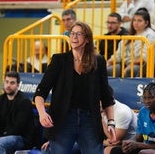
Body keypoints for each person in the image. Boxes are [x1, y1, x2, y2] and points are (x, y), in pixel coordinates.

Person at [34, 21, 116, 154]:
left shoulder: (98, 61)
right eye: (72, 34)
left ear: (87, 39)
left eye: (79, 34)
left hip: (89, 119)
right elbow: (41, 91)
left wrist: (111, 122)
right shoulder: (59, 60)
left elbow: (106, 96)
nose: (74, 37)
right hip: (63, 119)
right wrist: (42, 113)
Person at [111, 82, 155, 154]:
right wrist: (128, 145)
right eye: (145, 98)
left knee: (145, 153)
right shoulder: (143, 112)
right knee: (116, 151)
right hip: (148, 146)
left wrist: (138, 145)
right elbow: (138, 139)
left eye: (151, 98)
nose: (147, 101)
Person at [0, 71, 34, 153]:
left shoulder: (24, 102)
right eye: (6, 82)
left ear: (18, 85)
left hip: (21, 138)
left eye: (12, 83)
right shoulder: (1, 99)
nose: (8, 85)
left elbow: (18, 128)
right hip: (2, 136)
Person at [107, 8, 155, 77]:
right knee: (108, 70)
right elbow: (118, 55)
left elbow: (143, 58)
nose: (136, 23)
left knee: (130, 70)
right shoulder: (129, 35)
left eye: (139, 21)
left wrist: (130, 65)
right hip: (125, 64)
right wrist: (108, 62)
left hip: (142, 66)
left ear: (146, 23)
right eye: (134, 20)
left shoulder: (150, 35)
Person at [102, 87, 137, 154]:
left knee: (106, 151)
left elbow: (115, 140)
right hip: (107, 141)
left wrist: (101, 117)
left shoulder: (122, 111)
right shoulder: (95, 108)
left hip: (128, 145)